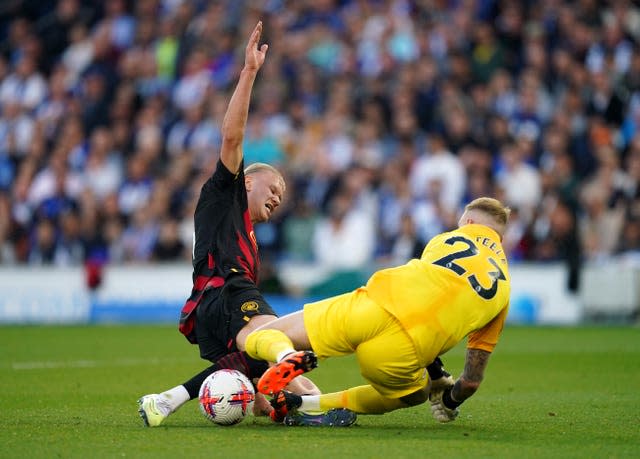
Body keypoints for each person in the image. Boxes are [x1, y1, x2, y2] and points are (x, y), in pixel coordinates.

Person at [137, 22, 323, 427]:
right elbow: (231, 139)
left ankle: (167, 401)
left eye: (282, 196)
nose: (277, 197)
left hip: (212, 309)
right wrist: (249, 72)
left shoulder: (248, 234)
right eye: (274, 187)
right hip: (229, 292)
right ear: (248, 180)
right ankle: (296, 384)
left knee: (274, 391)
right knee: (283, 342)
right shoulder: (226, 193)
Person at [244, 197, 511, 424]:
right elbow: (471, 381)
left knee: (259, 338)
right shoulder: (504, 289)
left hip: (369, 305)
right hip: (401, 351)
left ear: (469, 223)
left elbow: (423, 295)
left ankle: (287, 355)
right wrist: (449, 399)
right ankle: (309, 405)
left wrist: (438, 371)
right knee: (416, 392)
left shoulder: (448, 240)